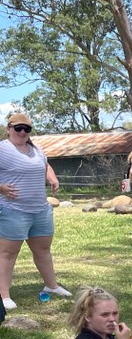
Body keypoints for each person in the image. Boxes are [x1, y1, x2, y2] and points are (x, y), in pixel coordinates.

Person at [0, 111, 71, 311]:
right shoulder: (2, 149)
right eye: (18, 128)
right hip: (13, 210)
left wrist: (53, 178)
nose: (22, 132)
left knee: (43, 250)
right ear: (9, 129)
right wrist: (1, 187)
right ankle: (3, 295)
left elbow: (45, 164)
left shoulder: (36, 149)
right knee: (7, 253)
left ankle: (52, 286)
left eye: (27, 129)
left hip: (40, 209)